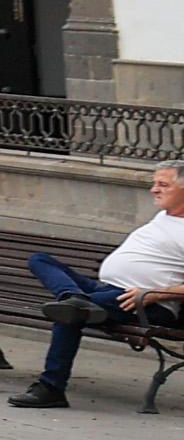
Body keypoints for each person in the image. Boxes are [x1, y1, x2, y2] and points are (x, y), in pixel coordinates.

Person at [11, 162, 184, 408]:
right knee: (39, 259)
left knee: (71, 313)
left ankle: (51, 388)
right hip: (104, 289)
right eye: (154, 183)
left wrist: (154, 294)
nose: (154, 190)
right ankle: (72, 296)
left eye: (163, 185)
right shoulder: (164, 216)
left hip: (141, 301)